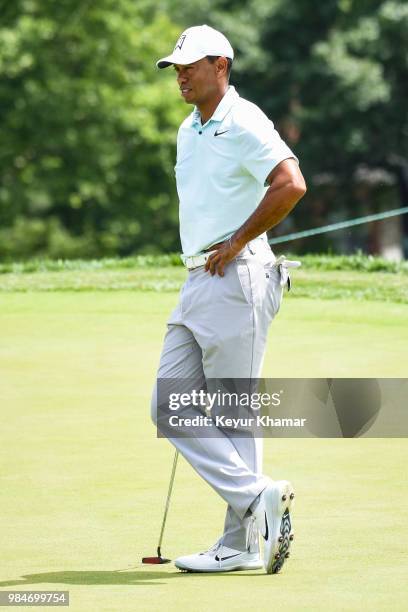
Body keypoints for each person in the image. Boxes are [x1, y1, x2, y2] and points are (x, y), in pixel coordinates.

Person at [151, 24, 306, 574]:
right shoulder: (188, 129)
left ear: (222, 66)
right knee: (168, 405)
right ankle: (255, 502)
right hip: (199, 279)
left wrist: (237, 240)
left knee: (234, 414)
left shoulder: (244, 120)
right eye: (176, 67)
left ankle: (242, 541)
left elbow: (290, 182)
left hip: (238, 275)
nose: (181, 75)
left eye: (191, 65)